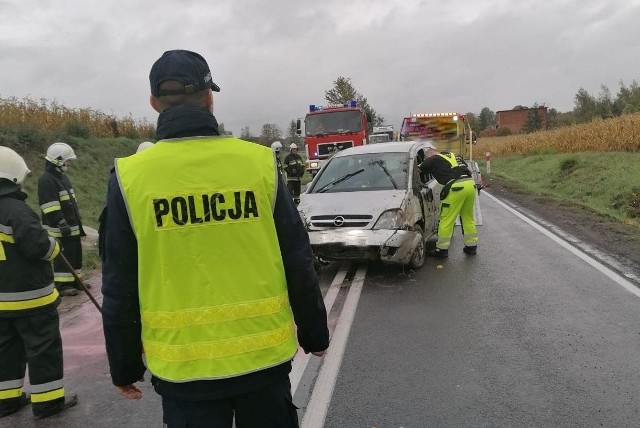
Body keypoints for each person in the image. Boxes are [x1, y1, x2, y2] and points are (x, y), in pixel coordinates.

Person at [101, 49, 329, 428]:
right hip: (264, 361)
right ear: (209, 98)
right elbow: (297, 257)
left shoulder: (129, 178)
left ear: (154, 104)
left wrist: (124, 365)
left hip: (183, 371)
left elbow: (119, 282)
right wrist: (314, 332)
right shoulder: (258, 165)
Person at [0, 146, 78, 420]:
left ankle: (6, 401)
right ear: (12, 177)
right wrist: (55, 247)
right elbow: (38, 246)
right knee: (42, 348)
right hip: (31, 298)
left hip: (1, 302)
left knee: (6, 349)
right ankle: (48, 402)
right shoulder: (16, 210)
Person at [38, 142, 85, 296]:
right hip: (59, 227)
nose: (69, 163)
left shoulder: (62, 178)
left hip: (71, 225)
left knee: (75, 253)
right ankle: (62, 286)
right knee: (64, 256)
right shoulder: (46, 180)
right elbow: (48, 205)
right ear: (58, 161)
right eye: (67, 160)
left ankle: (76, 281)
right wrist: (60, 221)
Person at [419, 145, 478, 257]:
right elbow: (469, 170)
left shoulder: (433, 158)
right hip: (470, 185)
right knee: (467, 218)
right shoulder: (454, 155)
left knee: (446, 219)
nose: (427, 159)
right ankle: (471, 247)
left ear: (430, 154)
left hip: (456, 187)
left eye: (427, 157)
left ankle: (441, 250)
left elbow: (419, 169)